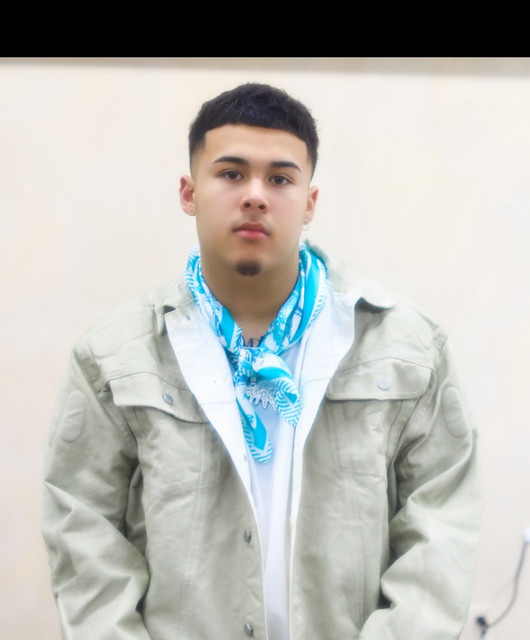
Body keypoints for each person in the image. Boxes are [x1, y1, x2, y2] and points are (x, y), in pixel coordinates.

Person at [42, 83, 481, 640]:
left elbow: (439, 539)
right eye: (231, 173)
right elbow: (86, 541)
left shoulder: (407, 349)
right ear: (189, 193)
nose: (255, 195)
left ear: (310, 203)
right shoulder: (114, 358)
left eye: (279, 178)